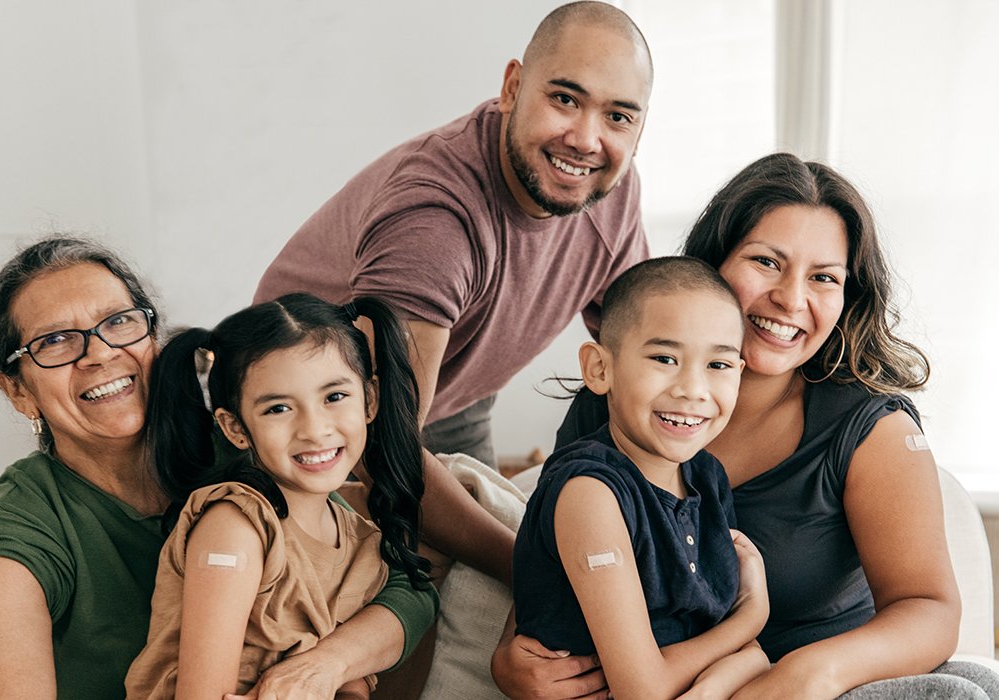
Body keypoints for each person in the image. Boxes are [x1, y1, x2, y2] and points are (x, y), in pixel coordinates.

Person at [496, 154, 999, 700]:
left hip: (810, 677)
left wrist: (808, 673)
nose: (791, 299)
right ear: (714, 263)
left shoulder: (868, 429)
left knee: (977, 686)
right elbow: (555, 548)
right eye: (767, 262)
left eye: (824, 278)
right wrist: (511, 655)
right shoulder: (619, 402)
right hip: (688, 680)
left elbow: (928, 609)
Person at [253, 1, 655, 586]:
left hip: (457, 394)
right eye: (565, 99)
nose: (587, 140)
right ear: (513, 87)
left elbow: (643, 359)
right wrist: (533, 571)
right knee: (406, 600)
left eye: (619, 117)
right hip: (314, 423)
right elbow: (380, 449)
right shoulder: (435, 220)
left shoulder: (609, 191)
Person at [0, 237, 436, 700]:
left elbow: (396, 581)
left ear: (153, 336)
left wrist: (323, 667)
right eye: (55, 341)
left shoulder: (246, 447)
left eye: (118, 322)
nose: (99, 353)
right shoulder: (10, 544)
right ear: (18, 391)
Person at [124, 293, 432, 699]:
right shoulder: (235, 527)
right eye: (278, 409)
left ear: (370, 400)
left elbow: (347, 680)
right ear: (235, 428)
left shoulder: (362, 541)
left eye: (334, 397)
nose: (314, 429)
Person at [512, 257, 773, 699]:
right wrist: (751, 620)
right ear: (599, 368)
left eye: (719, 365)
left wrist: (740, 664)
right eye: (665, 358)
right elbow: (643, 690)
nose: (693, 388)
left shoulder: (706, 477)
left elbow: (723, 639)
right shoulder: (590, 493)